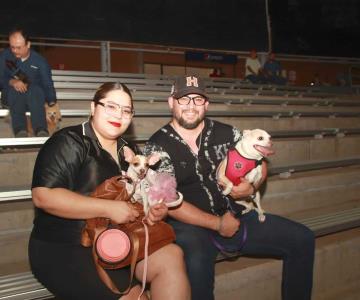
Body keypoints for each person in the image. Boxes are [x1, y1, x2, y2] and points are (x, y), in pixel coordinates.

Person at [143, 75, 315, 300]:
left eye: (197, 99)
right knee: (195, 264)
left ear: (206, 104)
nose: (191, 106)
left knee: (302, 238)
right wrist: (217, 224)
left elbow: (260, 164)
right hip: (191, 226)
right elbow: (168, 202)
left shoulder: (228, 133)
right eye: (184, 99)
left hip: (237, 216)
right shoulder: (156, 146)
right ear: (171, 102)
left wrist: (252, 186)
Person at [29, 82, 190, 300]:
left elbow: (144, 192)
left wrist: (153, 210)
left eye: (126, 110)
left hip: (120, 239)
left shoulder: (129, 151)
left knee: (172, 256)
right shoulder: (69, 141)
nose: (119, 115)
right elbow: (43, 196)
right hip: (65, 245)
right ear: (93, 108)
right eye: (111, 106)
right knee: (135, 297)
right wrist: (108, 208)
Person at [0, 28, 57, 137]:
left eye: (19, 47)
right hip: (11, 98)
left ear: (28, 44)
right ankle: (20, 130)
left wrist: (52, 101)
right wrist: (12, 81)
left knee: (35, 89)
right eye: (12, 47)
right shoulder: (5, 56)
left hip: (34, 101)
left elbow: (47, 83)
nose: (15, 51)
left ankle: (41, 129)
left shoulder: (40, 61)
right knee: (16, 90)